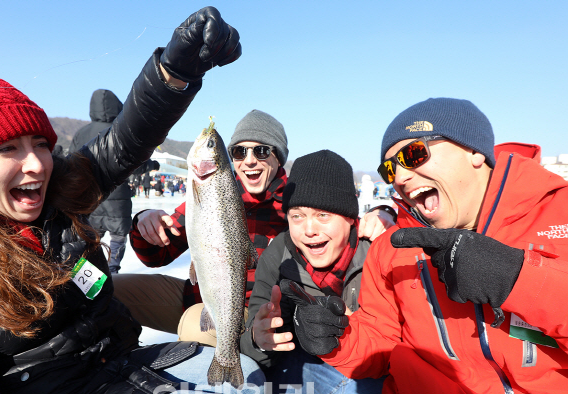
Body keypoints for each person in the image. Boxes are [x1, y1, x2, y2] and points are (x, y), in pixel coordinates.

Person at [0, 8, 266, 394]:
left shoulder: (61, 191)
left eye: (40, 143)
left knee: (256, 387)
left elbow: (127, 139)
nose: (36, 163)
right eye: (7, 149)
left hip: (117, 365)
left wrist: (174, 72)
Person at [289, 98, 568, 394]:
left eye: (413, 154)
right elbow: (382, 343)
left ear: (474, 151)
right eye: (390, 169)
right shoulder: (392, 248)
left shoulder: (559, 214)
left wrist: (517, 280)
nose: (401, 177)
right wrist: (336, 337)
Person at [119, 110, 395, 338]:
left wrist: (382, 213)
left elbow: (338, 225)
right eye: (239, 152)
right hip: (198, 294)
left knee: (196, 326)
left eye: (261, 151)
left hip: (255, 312)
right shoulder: (214, 192)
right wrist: (145, 223)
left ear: (279, 157)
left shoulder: (297, 202)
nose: (249, 160)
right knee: (104, 288)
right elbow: (155, 256)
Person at [242, 150, 388, 394]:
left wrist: (354, 329)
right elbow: (250, 340)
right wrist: (259, 339)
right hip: (301, 367)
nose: (309, 229)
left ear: (349, 218)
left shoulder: (376, 253)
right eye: (297, 216)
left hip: (371, 375)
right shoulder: (280, 253)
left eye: (323, 215)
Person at [68, 89, 136, 273]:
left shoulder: (81, 133)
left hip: (89, 195)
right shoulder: (121, 131)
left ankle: (92, 280)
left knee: (89, 236)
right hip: (117, 193)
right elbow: (135, 160)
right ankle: (113, 269)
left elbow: (70, 162)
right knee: (118, 236)